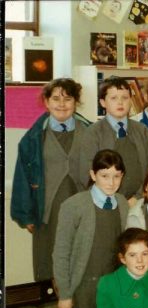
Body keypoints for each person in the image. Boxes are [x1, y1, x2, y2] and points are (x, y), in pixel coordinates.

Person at [11, 78, 90, 287]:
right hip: (49, 210)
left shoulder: (90, 131)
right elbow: (22, 177)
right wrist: (25, 214)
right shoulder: (34, 137)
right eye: (55, 98)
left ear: (76, 102)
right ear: (46, 102)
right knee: (56, 262)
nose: (61, 104)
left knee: (82, 260)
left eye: (68, 98)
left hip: (83, 206)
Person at [52, 149, 129, 308]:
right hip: (84, 283)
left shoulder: (122, 203)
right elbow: (61, 253)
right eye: (104, 176)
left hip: (110, 282)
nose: (111, 182)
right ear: (93, 175)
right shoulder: (74, 205)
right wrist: (65, 295)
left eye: (116, 176)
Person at [79, 76, 148, 205]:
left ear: (130, 100)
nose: (120, 103)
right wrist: (108, 200)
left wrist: (139, 196)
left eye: (125, 98)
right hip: (104, 204)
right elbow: (87, 173)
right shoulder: (93, 133)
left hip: (140, 202)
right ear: (103, 102)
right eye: (113, 98)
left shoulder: (142, 131)